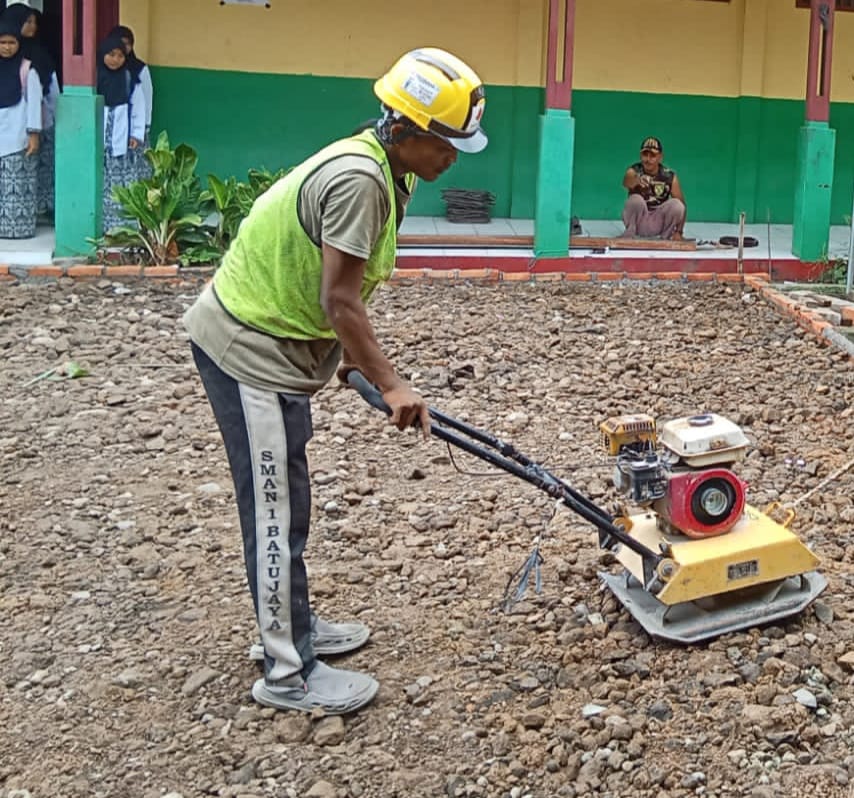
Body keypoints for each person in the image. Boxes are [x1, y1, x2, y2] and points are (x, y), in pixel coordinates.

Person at [182, 47, 487, 715]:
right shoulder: (361, 180)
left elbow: (343, 296)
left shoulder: (384, 169)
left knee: (290, 499)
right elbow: (340, 300)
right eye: (447, 144)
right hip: (248, 349)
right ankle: (287, 672)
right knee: (274, 512)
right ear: (407, 131)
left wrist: (347, 359)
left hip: (281, 343)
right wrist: (393, 381)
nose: (454, 159)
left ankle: (292, 626)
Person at [3, 3, 59, 218]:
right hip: (12, 127)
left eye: (35, 21)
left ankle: (44, 209)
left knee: (40, 168)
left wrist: (51, 119)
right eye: (27, 22)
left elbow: (51, 86)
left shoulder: (37, 55)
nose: (33, 26)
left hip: (39, 121)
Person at [97, 32, 146, 233]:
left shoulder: (129, 78)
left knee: (119, 184)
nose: (115, 60)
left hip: (121, 140)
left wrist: (136, 134)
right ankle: (101, 225)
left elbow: (138, 107)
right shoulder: (95, 76)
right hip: (99, 140)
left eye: (120, 55)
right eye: (111, 54)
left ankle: (121, 227)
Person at [0, 19, 41, 239]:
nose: (7, 47)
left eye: (12, 42)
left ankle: (17, 230)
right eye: (2, 42)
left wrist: (33, 134)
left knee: (17, 187)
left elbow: (34, 103)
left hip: (17, 136)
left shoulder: (27, 70)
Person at [108, 24, 153, 179]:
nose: (124, 47)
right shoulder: (103, 70)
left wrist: (142, 129)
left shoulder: (139, 69)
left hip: (135, 130)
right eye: (121, 43)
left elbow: (146, 99)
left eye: (128, 44)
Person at [621, 136, 686, 240]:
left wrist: (679, 231)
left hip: (659, 222)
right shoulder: (634, 170)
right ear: (640, 155)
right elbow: (626, 182)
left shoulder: (669, 176)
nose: (648, 159)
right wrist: (637, 181)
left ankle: (667, 236)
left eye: (653, 155)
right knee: (635, 200)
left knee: (677, 205)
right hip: (639, 222)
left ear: (660, 157)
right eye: (645, 155)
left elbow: (682, 205)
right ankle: (629, 234)